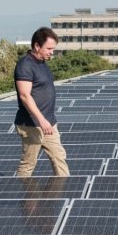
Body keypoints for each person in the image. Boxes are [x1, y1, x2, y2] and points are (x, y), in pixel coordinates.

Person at [14, 27, 70, 177]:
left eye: (53, 48)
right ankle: (24, 198)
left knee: (59, 157)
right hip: (32, 125)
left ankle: (64, 196)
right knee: (28, 164)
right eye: (49, 48)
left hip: (49, 123)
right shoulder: (25, 65)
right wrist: (41, 120)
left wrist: (48, 122)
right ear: (37, 46)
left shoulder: (42, 63)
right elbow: (25, 95)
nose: (52, 52)